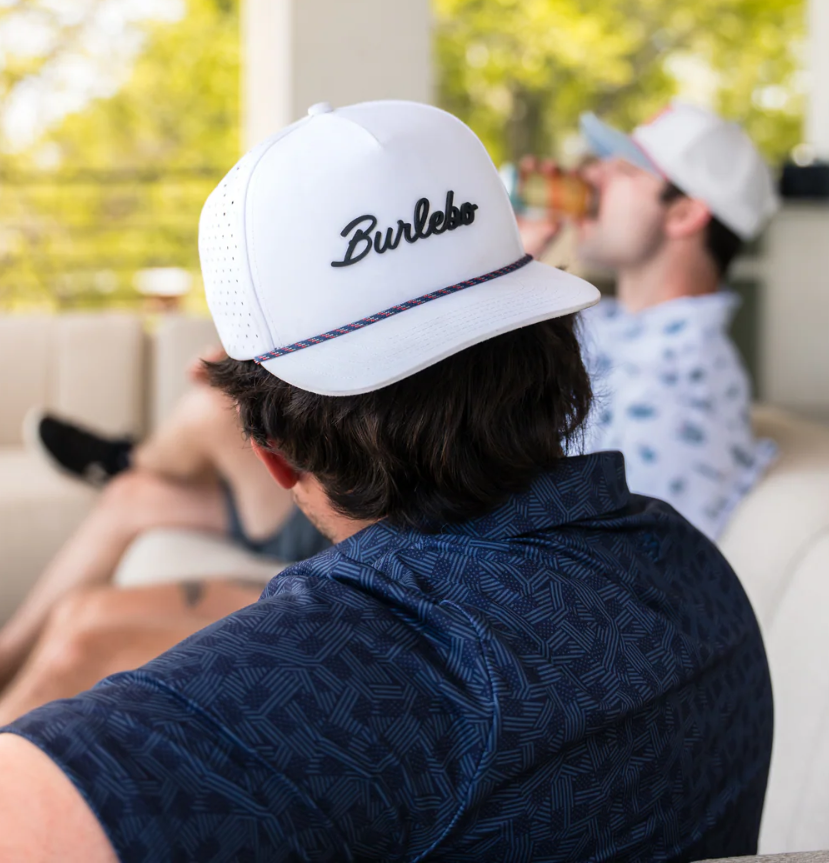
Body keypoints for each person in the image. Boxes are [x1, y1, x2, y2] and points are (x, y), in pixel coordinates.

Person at [0, 100, 772, 862]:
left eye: (628, 167)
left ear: (274, 455)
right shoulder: (700, 581)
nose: (597, 173)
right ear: (557, 351)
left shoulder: (362, 669)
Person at [0, 351, 327, 723]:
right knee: (129, 498)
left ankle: (126, 458)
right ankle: (8, 654)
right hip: (328, 522)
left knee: (82, 634)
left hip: (332, 540)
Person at [524, 101, 779, 541]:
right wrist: (515, 260)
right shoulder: (602, 327)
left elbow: (624, 569)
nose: (591, 175)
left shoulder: (686, 378)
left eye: (624, 169)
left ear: (683, 214)